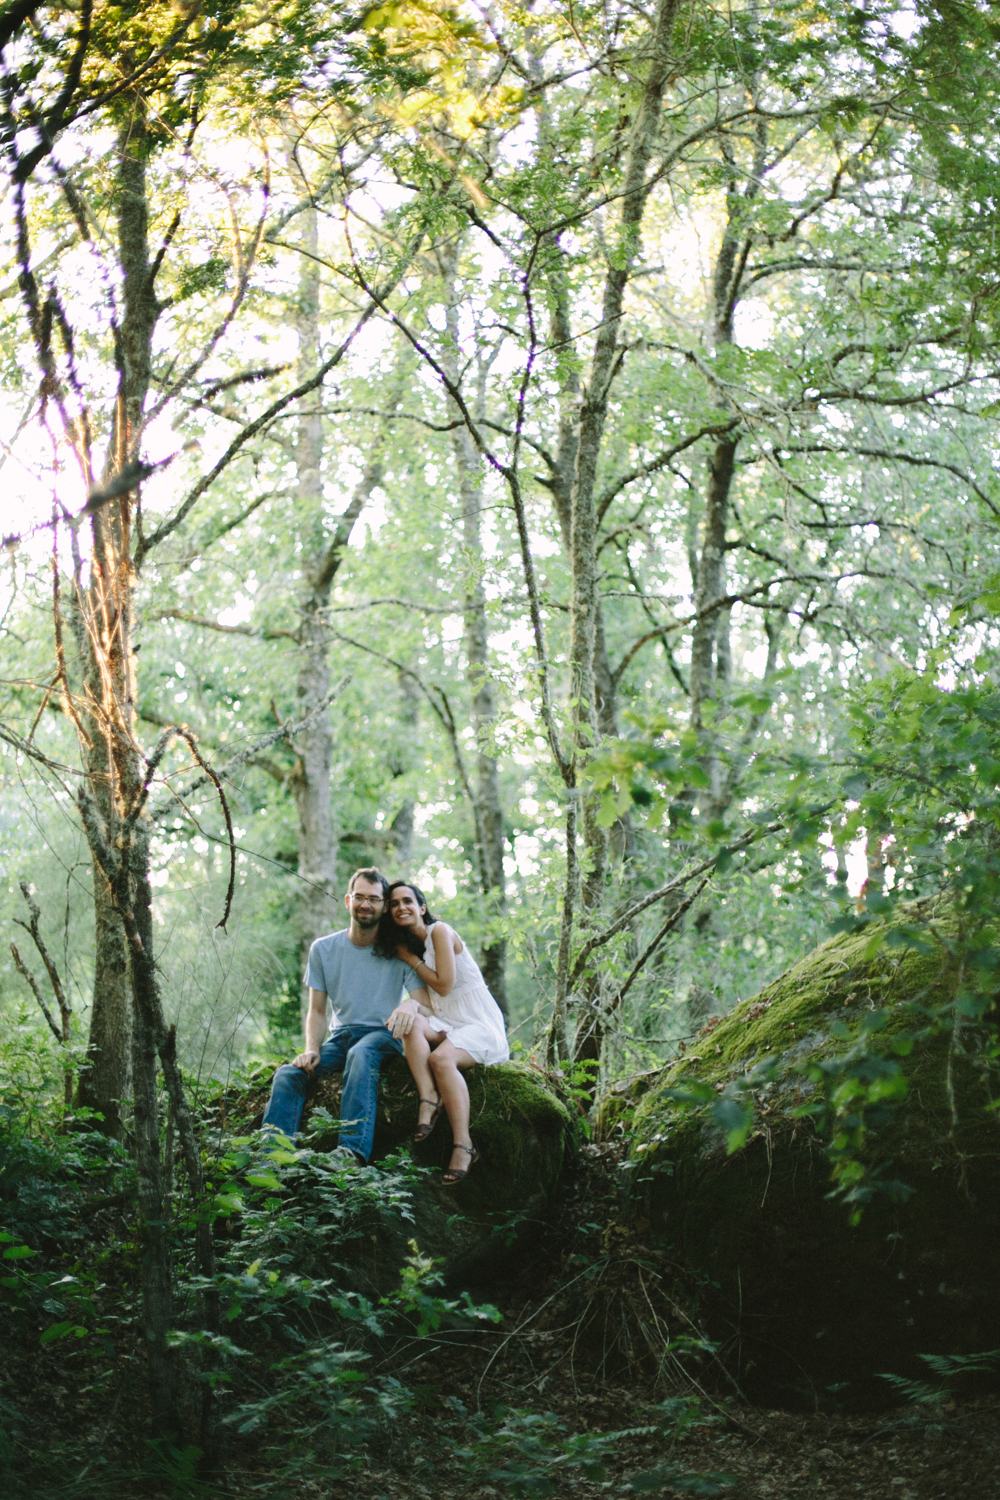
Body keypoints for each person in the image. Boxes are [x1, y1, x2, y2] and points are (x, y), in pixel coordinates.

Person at [261, 868, 429, 1163]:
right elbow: (316, 1009)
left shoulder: (398, 950)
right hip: (341, 1038)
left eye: (374, 899)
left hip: (384, 1034)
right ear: (348, 901)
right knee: (288, 1074)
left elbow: (425, 1004)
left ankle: (351, 1152)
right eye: (360, 897)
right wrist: (312, 1049)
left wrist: (410, 1005)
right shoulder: (323, 949)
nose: (366, 905)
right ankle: (272, 1157)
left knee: (362, 1053)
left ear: (383, 905)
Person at [377, 880, 509, 1184]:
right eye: (394, 904)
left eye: (407, 901)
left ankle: (464, 1144)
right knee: (409, 1025)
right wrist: (408, 1006)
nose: (401, 907)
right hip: (448, 1021)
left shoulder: (440, 931)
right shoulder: (417, 948)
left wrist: (411, 960)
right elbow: (427, 1004)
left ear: (422, 907)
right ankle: (429, 1097)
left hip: (478, 1023)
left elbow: (445, 984)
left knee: (441, 1060)